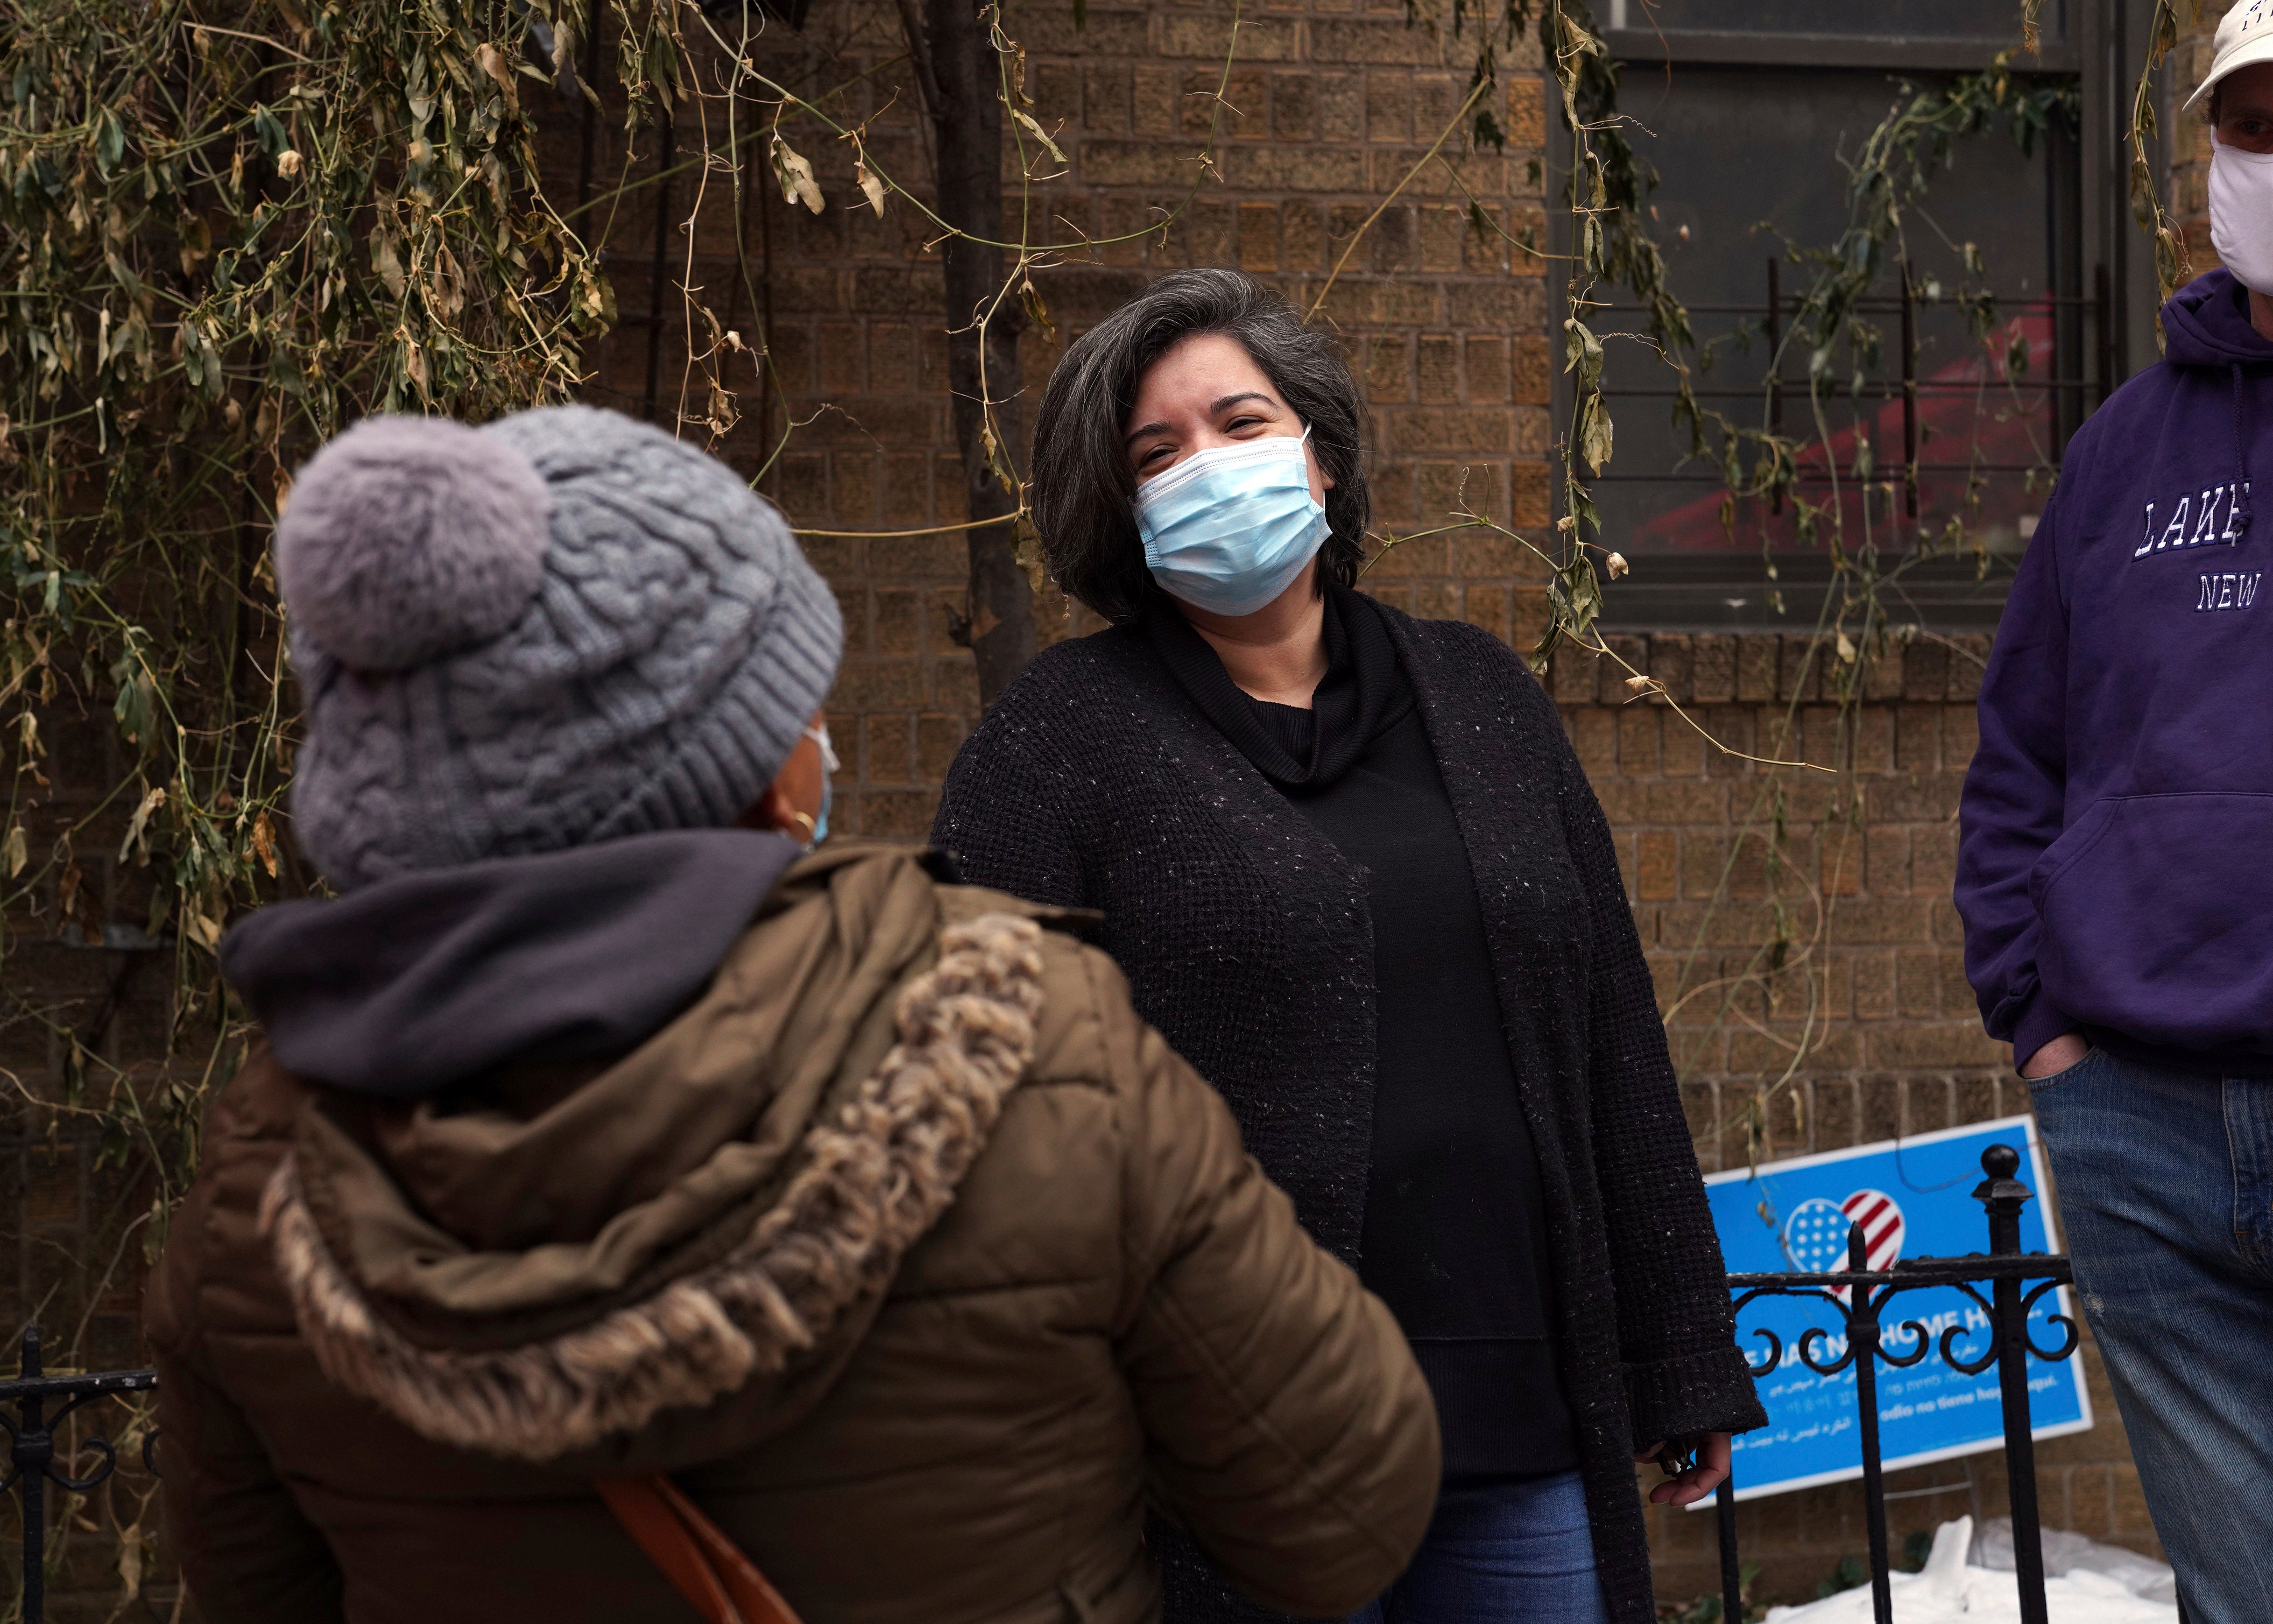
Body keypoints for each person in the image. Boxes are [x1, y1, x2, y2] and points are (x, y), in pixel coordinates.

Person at [146, 404, 1443, 1624]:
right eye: (794, 700)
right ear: (769, 771)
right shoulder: (1027, 1040)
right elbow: (1340, 1509)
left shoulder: (262, 1186)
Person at [929, 269, 1764, 1624]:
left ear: (1319, 456)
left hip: (1520, 1421)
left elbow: (1612, 1033)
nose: (1207, 464)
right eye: (1159, 452)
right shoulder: (1057, 742)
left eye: (1240, 422)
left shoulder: (1484, 696)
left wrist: (1681, 1352)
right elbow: (980, 1094)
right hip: (1234, 1452)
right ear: (1122, 508)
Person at [1955, 15, 2273, 1623]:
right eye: (2260, 123)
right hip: (2138, 1117)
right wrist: (2042, 1025)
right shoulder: (2122, 457)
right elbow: (2024, 751)